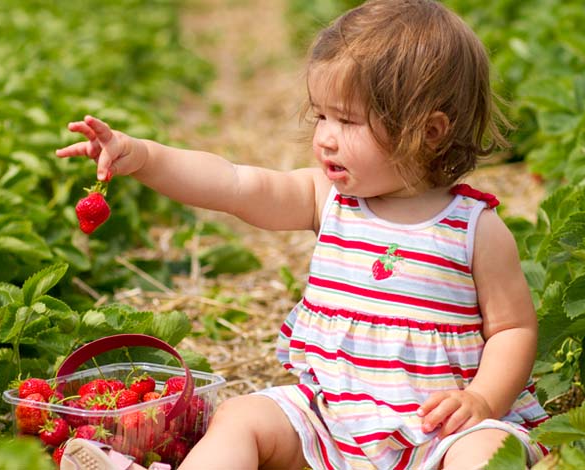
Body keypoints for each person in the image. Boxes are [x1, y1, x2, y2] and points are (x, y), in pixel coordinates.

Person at [56, 1, 549, 468]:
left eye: (348, 120)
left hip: (440, 433)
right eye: (322, 116)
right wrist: (144, 157)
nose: (324, 137)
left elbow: (512, 329)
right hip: (329, 425)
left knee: (487, 452)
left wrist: (482, 399)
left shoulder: (474, 229)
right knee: (241, 418)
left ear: (430, 131)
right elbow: (233, 183)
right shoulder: (327, 198)